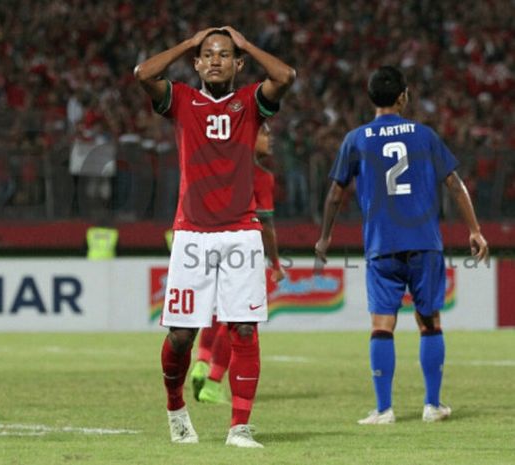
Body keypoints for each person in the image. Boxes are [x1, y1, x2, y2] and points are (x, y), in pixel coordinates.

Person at [135, 26, 295, 447]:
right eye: (209, 54)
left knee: (244, 328)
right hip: (192, 235)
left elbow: (286, 76)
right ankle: (175, 408)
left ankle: (239, 427)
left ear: (238, 63)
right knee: (181, 335)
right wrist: (188, 42)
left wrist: (248, 44)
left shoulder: (251, 104)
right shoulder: (183, 101)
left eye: (226, 54)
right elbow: (143, 74)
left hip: (242, 232)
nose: (217, 60)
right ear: (198, 63)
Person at [314, 66, 488, 424]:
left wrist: (326, 235)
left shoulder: (356, 138)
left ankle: (383, 410)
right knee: (430, 323)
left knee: (382, 325)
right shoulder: (424, 135)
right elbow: (455, 184)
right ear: (403, 97)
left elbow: (335, 192)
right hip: (424, 242)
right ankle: (432, 405)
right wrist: (474, 229)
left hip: (382, 245)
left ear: (370, 97)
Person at [191, 123, 285, 405]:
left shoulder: (218, 166)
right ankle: (214, 382)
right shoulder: (261, 176)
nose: (270, 139)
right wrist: (276, 263)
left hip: (208, 245)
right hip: (243, 250)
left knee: (218, 311)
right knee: (239, 318)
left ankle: (201, 362)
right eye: (265, 133)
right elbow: (266, 224)